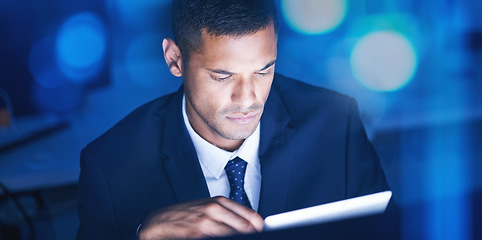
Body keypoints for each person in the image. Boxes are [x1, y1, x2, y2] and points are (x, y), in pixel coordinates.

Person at [76, 0, 389, 239]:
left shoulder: (336, 124)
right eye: (223, 75)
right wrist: (142, 234)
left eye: (263, 70)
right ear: (175, 59)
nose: (248, 98)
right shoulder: (110, 165)